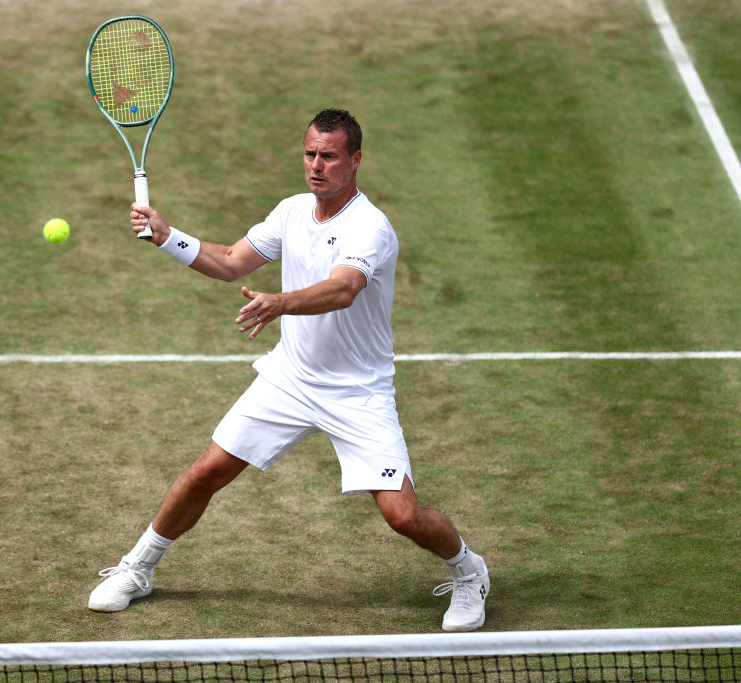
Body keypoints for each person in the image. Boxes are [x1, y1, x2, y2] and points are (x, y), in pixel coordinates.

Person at [87, 108, 490, 632]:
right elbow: (231, 260)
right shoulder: (292, 211)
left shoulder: (371, 227)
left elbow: (344, 289)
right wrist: (169, 237)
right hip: (292, 378)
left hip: (356, 392)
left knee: (402, 515)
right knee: (206, 471)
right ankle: (137, 567)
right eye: (309, 154)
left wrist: (280, 302)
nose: (316, 166)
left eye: (329, 156)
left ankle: (468, 571)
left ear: (356, 160)